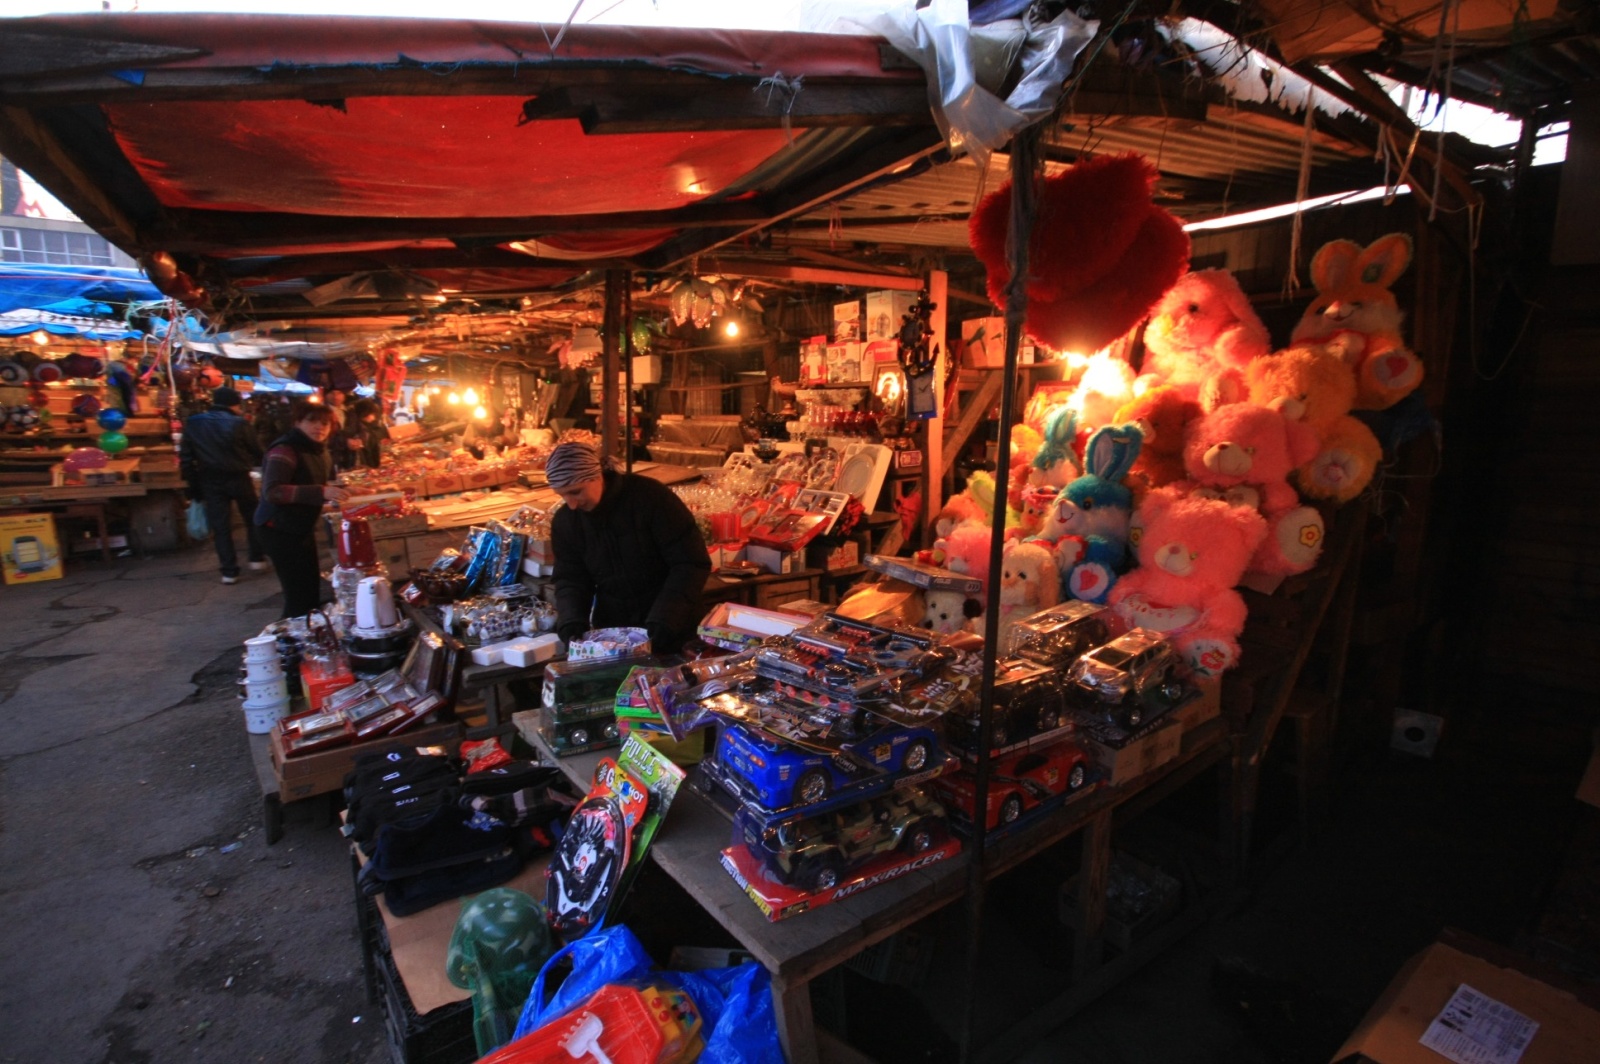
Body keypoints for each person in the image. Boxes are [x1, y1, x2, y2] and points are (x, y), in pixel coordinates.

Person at [548, 442, 710, 654]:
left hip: (675, 627)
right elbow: (571, 578)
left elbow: (690, 563)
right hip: (616, 634)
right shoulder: (566, 522)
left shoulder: (651, 498)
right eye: (562, 495)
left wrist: (665, 619)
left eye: (576, 492)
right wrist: (571, 621)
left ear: (597, 476)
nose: (572, 504)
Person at [254, 401, 348, 618]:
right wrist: (321, 492)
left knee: (309, 587)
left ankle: (309, 632)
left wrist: (344, 489)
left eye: (325, 423)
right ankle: (288, 640)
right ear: (297, 422)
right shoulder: (285, 449)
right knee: (298, 594)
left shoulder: (317, 449)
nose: (319, 427)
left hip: (299, 526)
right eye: (312, 421)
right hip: (277, 528)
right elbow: (273, 492)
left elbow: (313, 481)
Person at [180, 386, 268, 585]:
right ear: (234, 404)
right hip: (239, 476)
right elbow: (257, 451)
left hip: (210, 480)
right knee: (252, 518)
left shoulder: (194, 423)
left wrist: (193, 486)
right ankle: (256, 558)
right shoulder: (239, 423)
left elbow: (186, 458)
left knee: (221, 526)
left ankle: (229, 571)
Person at [348, 397, 391, 469]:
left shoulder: (380, 426)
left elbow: (387, 441)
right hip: (367, 465)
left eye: (369, 413)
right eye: (365, 415)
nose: (368, 417)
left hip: (384, 462)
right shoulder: (358, 428)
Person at [323, 389, 353, 472]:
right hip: (330, 456)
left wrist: (361, 440)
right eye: (332, 393)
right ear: (326, 395)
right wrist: (345, 441)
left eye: (339, 393)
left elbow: (360, 428)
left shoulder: (350, 411)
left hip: (348, 458)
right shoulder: (321, 412)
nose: (335, 397)